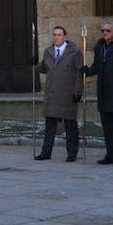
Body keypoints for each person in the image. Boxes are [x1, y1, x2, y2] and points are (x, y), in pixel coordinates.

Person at [82, 21, 113, 165]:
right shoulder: (99, 47)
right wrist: (87, 71)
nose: (104, 33)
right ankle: (110, 154)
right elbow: (97, 66)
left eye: (108, 30)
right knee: (107, 127)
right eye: (103, 30)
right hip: (104, 94)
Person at [35, 26, 83, 162]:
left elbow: (79, 74)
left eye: (59, 35)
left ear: (65, 37)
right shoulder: (48, 52)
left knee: (70, 125)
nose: (56, 37)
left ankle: (72, 153)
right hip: (52, 92)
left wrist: (78, 91)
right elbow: (45, 68)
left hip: (67, 93)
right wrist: (36, 64)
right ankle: (46, 152)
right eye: (54, 35)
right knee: (50, 125)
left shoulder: (74, 52)